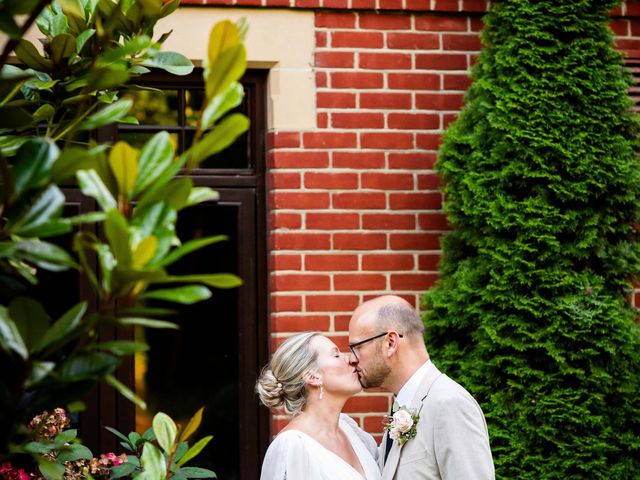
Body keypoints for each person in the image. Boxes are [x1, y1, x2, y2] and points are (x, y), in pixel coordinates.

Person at [348, 295, 495, 480]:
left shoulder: (449, 404)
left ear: (391, 343)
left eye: (356, 347)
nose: (352, 358)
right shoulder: (403, 406)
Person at [256, 331, 382, 480]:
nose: (351, 359)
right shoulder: (292, 446)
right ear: (313, 377)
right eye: (336, 355)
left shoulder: (349, 428)